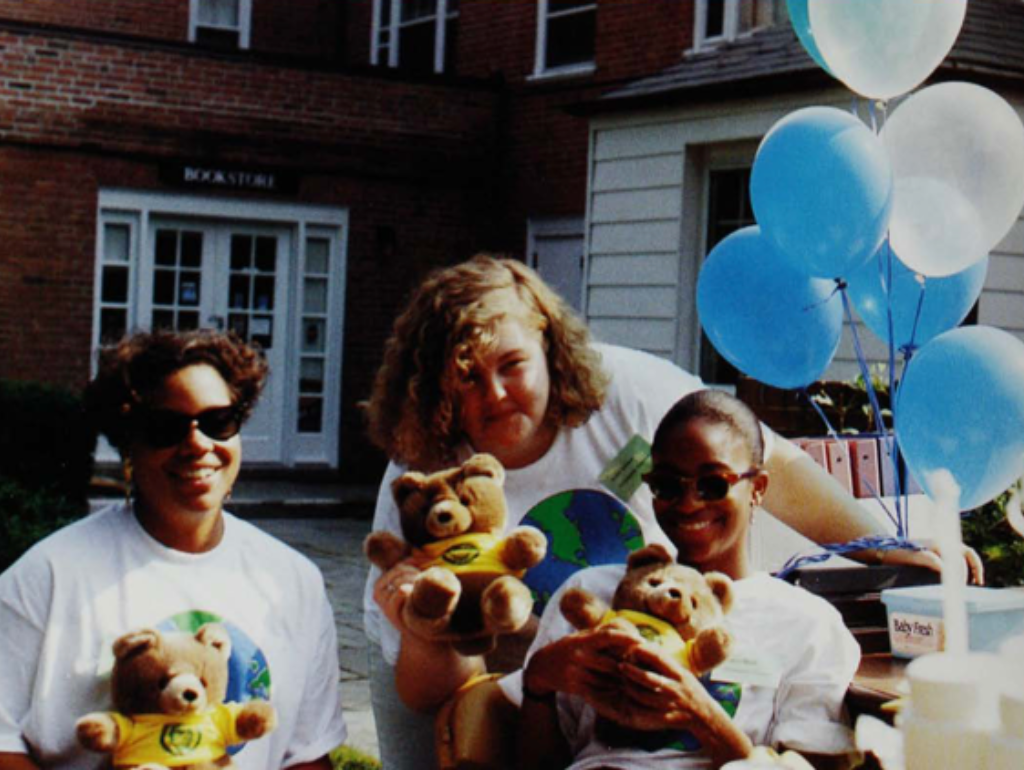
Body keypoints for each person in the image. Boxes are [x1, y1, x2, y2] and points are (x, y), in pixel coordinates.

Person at [362, 254, 976, 769]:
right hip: (504, 669)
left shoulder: (621, 390)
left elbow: (768, 461)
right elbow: (443, 698)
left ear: (547, 343)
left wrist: (883, 544)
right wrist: (453, 641)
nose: (493, 394)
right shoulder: (425, 480)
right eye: (465, 378)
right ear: (433, 389)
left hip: (641, 627)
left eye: (512, 365)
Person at [0, 330, 347, 770]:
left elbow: (307, 755)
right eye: (166, 428)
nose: (198, 444)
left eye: (219, 421)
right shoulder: (50, 575)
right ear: (129, 445)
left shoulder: (293, 581)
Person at [515, 389, 860, 769]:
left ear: (757, 489)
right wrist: (539, 681)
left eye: (712, 484)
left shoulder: (808, 623)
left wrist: (700, 714)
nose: (689, 502)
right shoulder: (593, 591)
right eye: (667, 484)